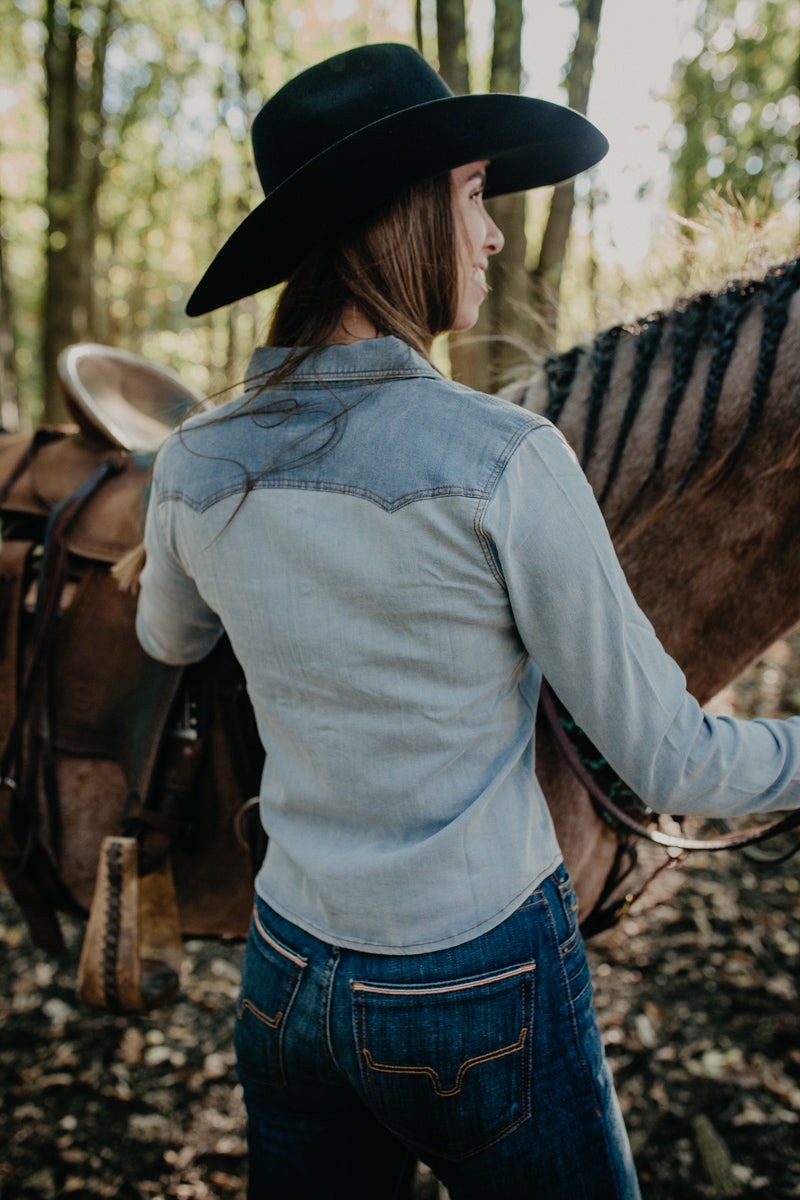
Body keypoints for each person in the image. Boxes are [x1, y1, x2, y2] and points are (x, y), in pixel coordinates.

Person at [135, 43, 800, 1200]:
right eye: (472, 194)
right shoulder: (506, 458)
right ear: (397, 216)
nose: (491, 233)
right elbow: (667, 756)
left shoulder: (193, 462)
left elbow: (168, 641)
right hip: (479, 989)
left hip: (285, 970)